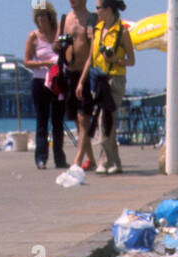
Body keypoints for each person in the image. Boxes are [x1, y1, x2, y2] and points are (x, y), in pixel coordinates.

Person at [77, 0, 134, 175]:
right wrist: (81, 80)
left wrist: (115, 59)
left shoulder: (122, 32)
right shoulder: (97, 29)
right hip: (98, 79)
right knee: (102, 120)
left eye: (98, 8)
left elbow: (131, 61)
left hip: (115, 79)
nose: (96, 11)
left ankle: (107, 161)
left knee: (106, 119)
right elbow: (90, 58)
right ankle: (112, 161)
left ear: (108, 9)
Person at [24, 3, 67, 169]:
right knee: (42, 120)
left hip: (57, 80)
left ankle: (59, 158)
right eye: (38, 17)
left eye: (44, 16)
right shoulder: (33, 37)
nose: (41, 19)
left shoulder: (58, 34)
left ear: (50, 17)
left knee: (58, 121)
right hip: (40, 81)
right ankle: (41, 158)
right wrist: (44, 63)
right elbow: (27, 61)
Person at [60, 0, 96, 170]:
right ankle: (91, 159)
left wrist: (83, 79)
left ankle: (77, 160)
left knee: (84, 118)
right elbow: (56, 46)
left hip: (85, 73)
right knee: (76, 119)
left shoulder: (91, 19)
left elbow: (92, 52)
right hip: (69, 73)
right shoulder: (64, 19)